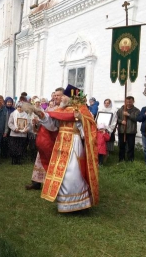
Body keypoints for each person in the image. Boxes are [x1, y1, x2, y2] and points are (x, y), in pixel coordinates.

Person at [36, 84, 99, 212]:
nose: (62, 98)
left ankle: (79, 204)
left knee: (74, 173)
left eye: (64, 95)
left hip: (74, 143)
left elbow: (88, 128)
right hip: (60, 142)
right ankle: (64, 204)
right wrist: (42, 116)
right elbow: (53, 126)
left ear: (71, 97)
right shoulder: (60, 110)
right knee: (62, 174)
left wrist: (80, 118)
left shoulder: (81, 110)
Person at [25, 87, 63, 190]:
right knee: (39, 161)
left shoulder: (62, 109)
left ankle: (52, 184)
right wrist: (37, 122)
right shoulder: (50, 108)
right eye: (54, 95)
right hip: (45, 139)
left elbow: (53, 126)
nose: (55, 97)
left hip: (54, 140)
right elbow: (45, 121)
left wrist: (41, 118)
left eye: (58, 95)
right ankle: (36, 183)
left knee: (51, 162)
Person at [116, 96, 140, 162]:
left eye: (130, 102)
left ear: (133, 102)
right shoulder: (121, 109)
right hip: (122, 130)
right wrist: (121, 121)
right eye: (127, 102)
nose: (128, 103)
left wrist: (128, 115)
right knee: (121, 146)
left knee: (131, 146)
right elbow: (115, 119)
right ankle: (121, 159)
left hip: (131, 131)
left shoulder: (136, 110)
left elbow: (137, 118)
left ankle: (130, 160)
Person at [98, 98, 118, 163]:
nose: (106, 104)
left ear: (110, 103)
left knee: (107, 143)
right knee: (100, 143)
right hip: (100, 129)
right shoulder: (101, 110)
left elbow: (114, 120)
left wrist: (108, 128)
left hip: (108, 129)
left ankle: (106, 156)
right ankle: (100, 157)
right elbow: (97, 119)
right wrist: (99, 126)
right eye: (105, 103)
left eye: (108, 103)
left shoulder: (113, 111)